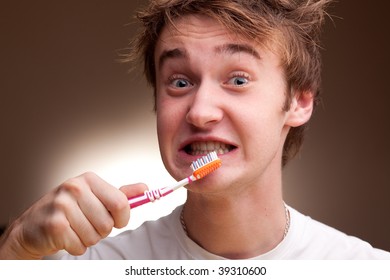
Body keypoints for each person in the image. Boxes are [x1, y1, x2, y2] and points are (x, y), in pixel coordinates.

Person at [0, 0, 389, 260]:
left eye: (237, 80)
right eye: (180, 82)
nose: (200, 112)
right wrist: (14, 251)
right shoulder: (94, 265)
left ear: (298, 102)